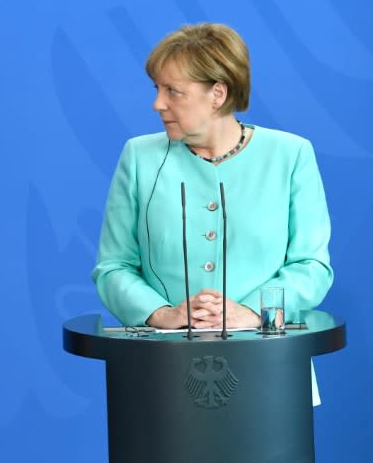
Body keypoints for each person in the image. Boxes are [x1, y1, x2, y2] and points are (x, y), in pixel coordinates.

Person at [92, 23, 332, 330]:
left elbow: (311, 266)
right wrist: (162, 314)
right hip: (162, 363)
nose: (157, 104)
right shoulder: (139, 157)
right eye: (157, 89)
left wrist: (252, 312)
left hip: (272, 362)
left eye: (173, 92)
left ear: (217, 93)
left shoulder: (291, 155)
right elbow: (114, 266)